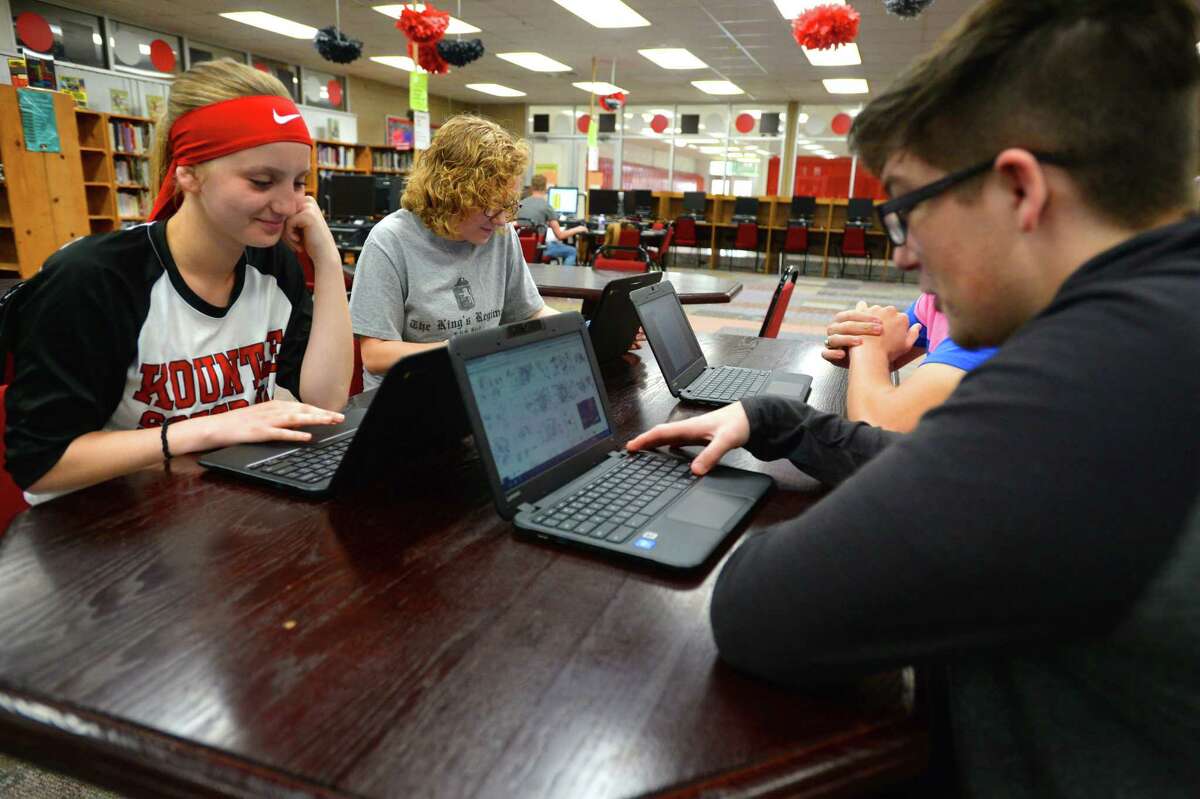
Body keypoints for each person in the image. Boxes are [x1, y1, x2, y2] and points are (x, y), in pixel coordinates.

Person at [627, 0, 1200, 794]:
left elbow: (763, 610)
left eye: (905, 209)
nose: (901, 256)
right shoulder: (1164, 326)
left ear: (1019, 190)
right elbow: (953, 474)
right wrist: (779, 420)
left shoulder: (1100, 382)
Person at [4, 59, 353, 505]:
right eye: (262, 181)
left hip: (211, 511)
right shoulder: (94, 279)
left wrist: (325, 261)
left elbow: (326, 400)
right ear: (187, 172)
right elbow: (41, 466)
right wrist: (207, 429)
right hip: (100, 530)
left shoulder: (273, 264)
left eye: (300, 183)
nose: (288, 204)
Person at [350, 115, 554, 390]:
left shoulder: (500, 235)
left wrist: (585, 330)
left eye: (509, 205)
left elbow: (530, 313)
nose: (503, 220)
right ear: (452, 194)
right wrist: (456, 350)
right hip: (410, 395)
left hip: (480, 386)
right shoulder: (390, 241)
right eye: (490, 206)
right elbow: (374, 354)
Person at [821, 294, 997, 431]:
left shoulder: (993, 322)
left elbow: (878, 430)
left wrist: (866, 349)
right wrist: (857, 343)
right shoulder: (936, 297)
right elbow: (890, 348)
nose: (902, 258)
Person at [517, 174, 587, 265]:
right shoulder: (546, 207)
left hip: (520, 248)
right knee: (572, 251)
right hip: (538, 249)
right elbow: (560, 235)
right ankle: (564, 279)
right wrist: (578, 229)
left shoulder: (520, 204)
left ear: (531, 187)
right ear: (545, 187)